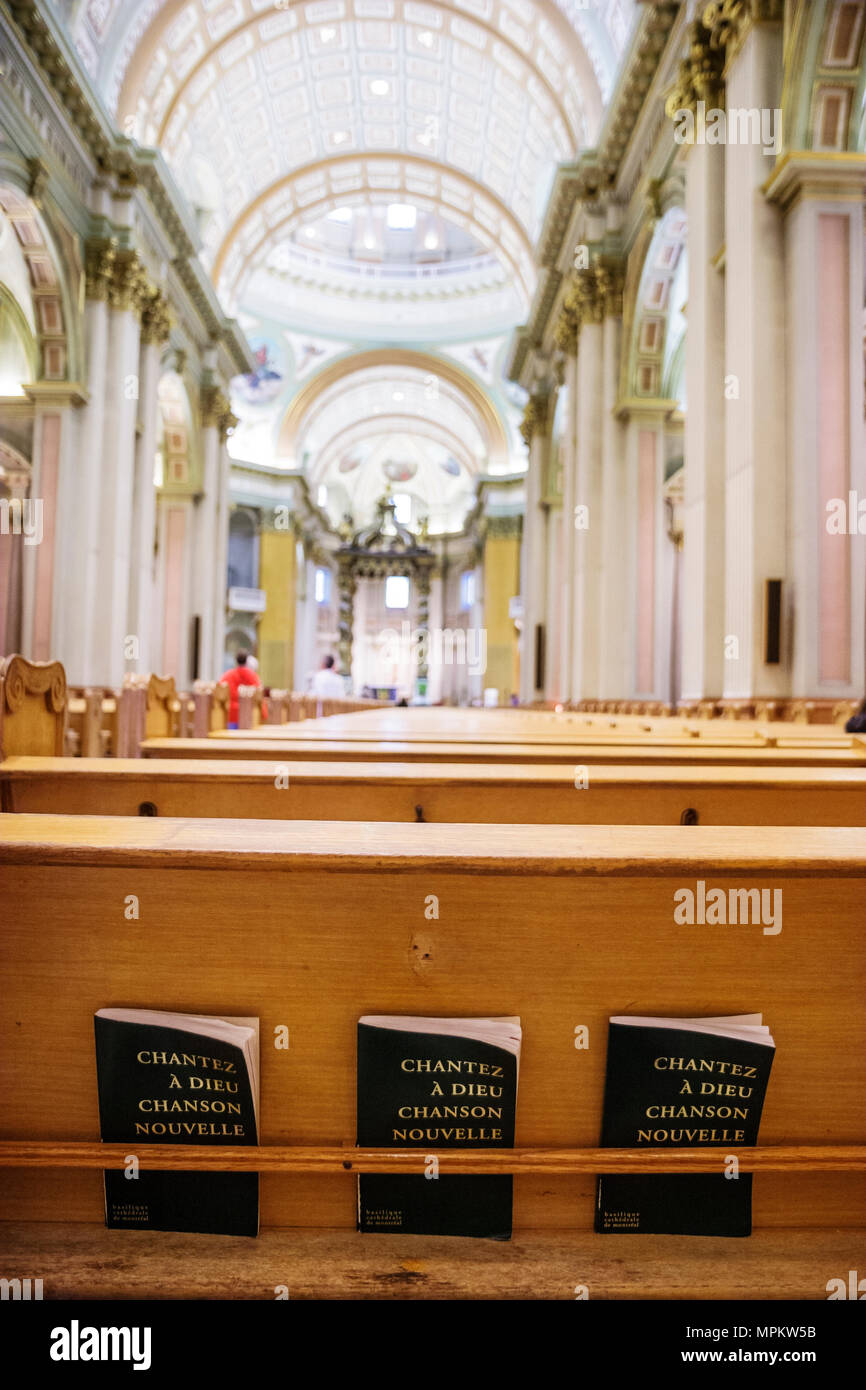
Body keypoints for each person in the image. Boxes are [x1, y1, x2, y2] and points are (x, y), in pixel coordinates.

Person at [219, 650, 263, 729]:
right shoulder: (253, 676)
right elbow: (259, 696)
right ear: (246, 661)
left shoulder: (228, 675)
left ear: (236, 661)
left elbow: (220, 691)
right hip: (248, 716)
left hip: (230, 714)